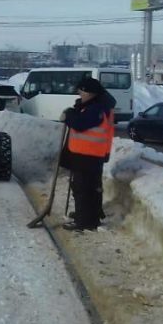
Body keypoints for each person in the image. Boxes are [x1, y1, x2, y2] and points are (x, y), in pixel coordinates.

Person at [59, 76, 116, 232]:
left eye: (82, 90)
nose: (79, 93)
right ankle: (89, 215)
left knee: (83, 189)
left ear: (90, 92)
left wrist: (70, 115)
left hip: (87, 155)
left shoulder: (96, 108)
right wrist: (76, 109)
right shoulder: (99, 105)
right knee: (91, 188)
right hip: (90, 155)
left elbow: (81, 123)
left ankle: (84, 221)